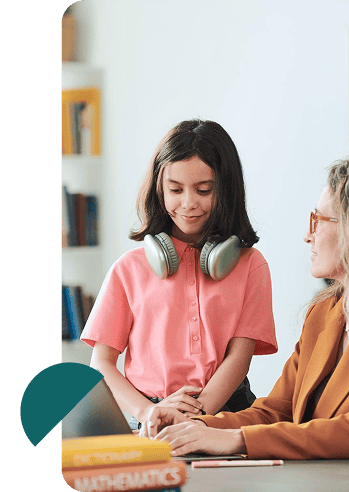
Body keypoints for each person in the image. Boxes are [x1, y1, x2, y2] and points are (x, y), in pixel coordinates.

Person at [139, 156, 349, 460]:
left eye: (318, 220)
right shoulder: (325, 312)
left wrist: (235, 439)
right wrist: (195, 426)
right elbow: (277, 410)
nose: (308, 235)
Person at [81, 119, 278, 429]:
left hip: (225, 414)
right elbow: (101, 364)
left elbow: (239, 360)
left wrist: (195, 416)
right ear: (159, 189)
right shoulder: (128, 269)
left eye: (204, 190)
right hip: (151, 415)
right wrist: (149, 413)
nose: (188, 203)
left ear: (227, 190)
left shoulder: (251, 265)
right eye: (175, 189)